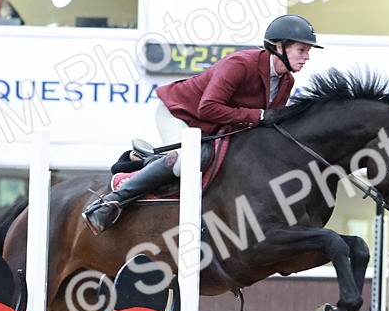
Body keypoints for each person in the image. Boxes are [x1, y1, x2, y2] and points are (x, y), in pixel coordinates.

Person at [81, 14, 322, 234]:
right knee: (187, 161)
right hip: (180, 113)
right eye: (301, 50)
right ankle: (110, 202)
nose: (307, 57)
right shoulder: (240, 64)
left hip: (214, 127)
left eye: (308, 51)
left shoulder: (286, 81)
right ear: (278, 47)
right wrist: (257, 116)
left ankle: (149, 163)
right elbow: (207, 107)